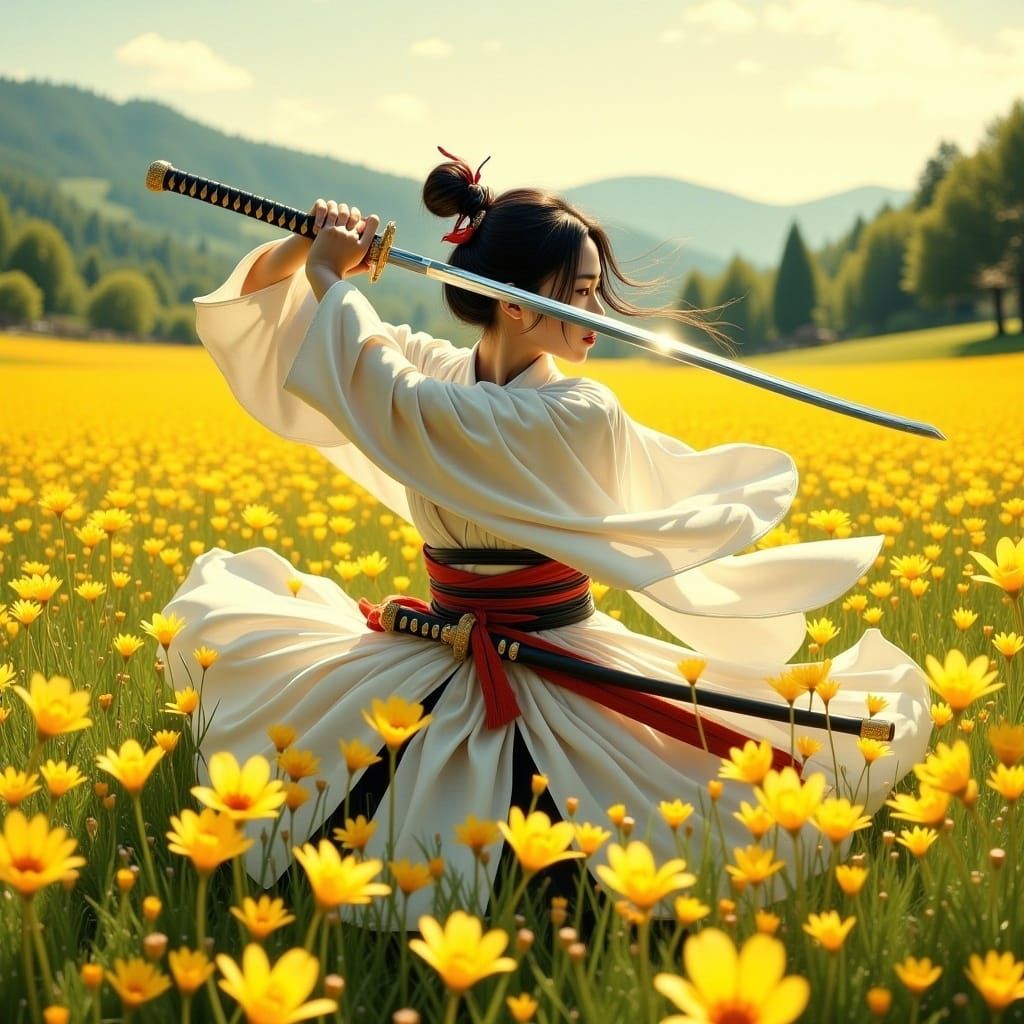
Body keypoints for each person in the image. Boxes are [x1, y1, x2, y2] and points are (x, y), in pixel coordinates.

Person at [161, 148, 932, 927]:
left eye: (597, 289)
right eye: (581, 293)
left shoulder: (577, 411)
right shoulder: (443, 371)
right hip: (436, 640)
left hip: (552, 649)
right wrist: (305, 249)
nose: (599, 314)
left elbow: (398, 396)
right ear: (516, 305)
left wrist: (333, 279)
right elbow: (292, 332)